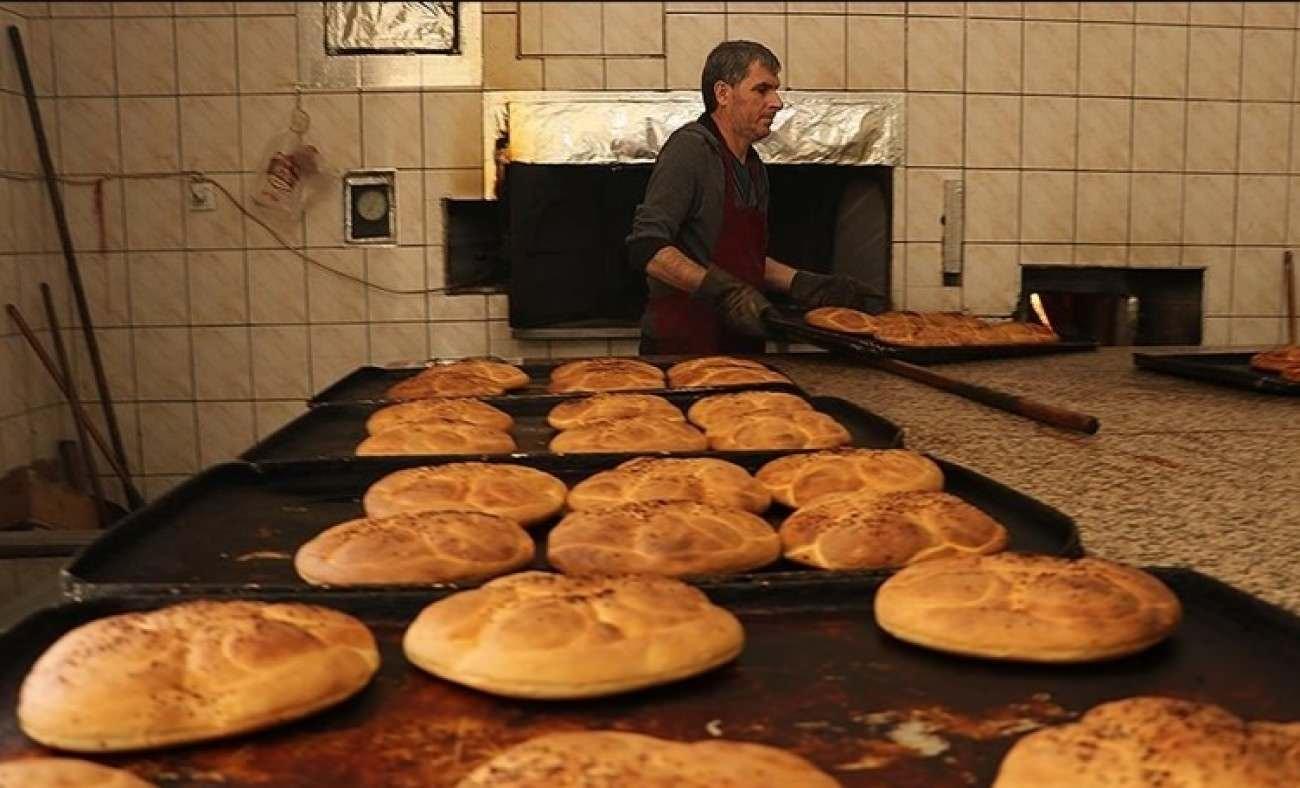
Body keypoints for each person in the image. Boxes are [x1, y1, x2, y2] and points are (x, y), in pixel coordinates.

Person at [626, 40, 887, 355]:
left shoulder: (753, 166)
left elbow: (743, 260)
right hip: (683, 347)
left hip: (742, 343)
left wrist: (803, 283)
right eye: (762, 90)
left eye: (775, 90)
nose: (776, 102)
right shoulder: (690, 151)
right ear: (723, 94)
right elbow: (648, 248)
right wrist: (722, 292)